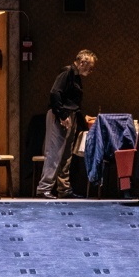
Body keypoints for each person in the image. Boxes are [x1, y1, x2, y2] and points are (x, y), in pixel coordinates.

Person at [36, 49, 97, 199]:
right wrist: (62, 114)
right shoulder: (68, 72)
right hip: (61, 116)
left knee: (66, 155)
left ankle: (64, 189)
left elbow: (73, 102)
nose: (91, 69)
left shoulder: (76, 76)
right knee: (55, 153)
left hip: (71, 116)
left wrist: (80, 118)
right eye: (90, 66)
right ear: (82, 62)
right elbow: (55, 93)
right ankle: (43, 188)